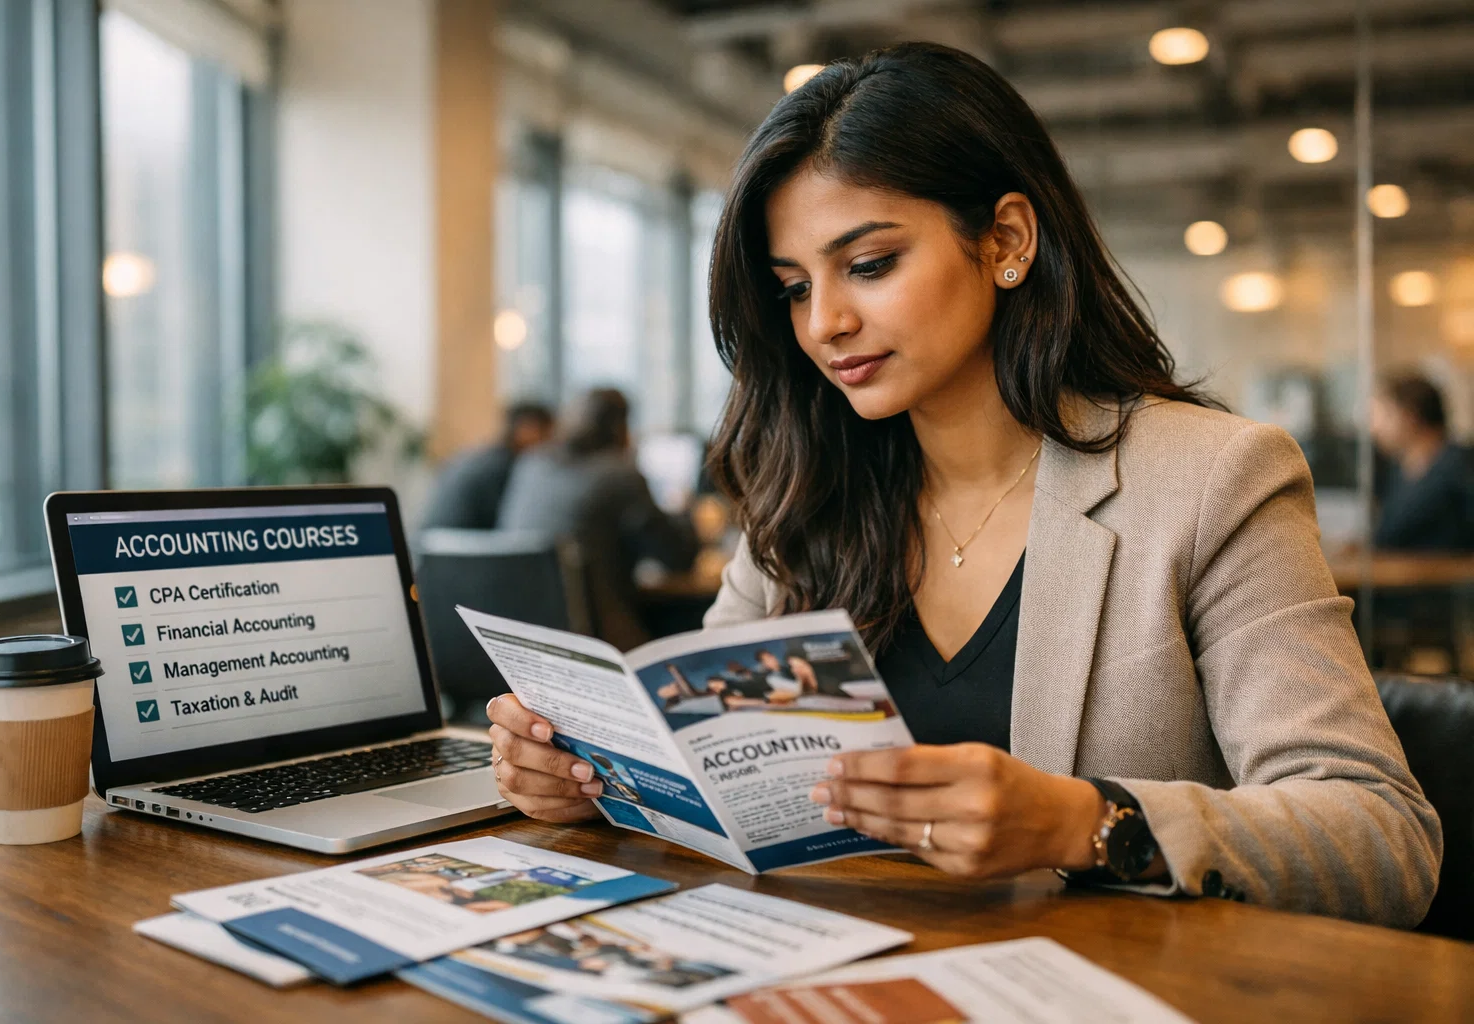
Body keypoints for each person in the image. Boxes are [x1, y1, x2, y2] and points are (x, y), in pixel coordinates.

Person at [483, 44, 1440, 928]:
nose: (825, 324)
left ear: (1008, 240)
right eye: (794, 287)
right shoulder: (805, 496)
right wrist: (597, 779)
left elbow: (1381, 836)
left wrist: (1086, 823)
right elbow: (713, 777)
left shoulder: (1213, 480)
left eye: (868, 265)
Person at [498, 388, 700, 649]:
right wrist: (683, 508)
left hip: (524, 637)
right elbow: (678, 558)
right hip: (598, 642)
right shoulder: (619, 473)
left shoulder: (531, 464)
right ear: (621, 427)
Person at [1369, 373, 1474, 552]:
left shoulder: (1459, 466)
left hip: (1446, 577)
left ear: (1410, 416)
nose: (1375, 428)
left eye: (1386, 415)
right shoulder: (1397, 469)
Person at [420, 402, 553, 530]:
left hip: (433, 543)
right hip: (457, 546)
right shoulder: (501, 467)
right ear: (526, 430)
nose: (550, 441)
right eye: (547, 432)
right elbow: (506, 521)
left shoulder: (485, 456)